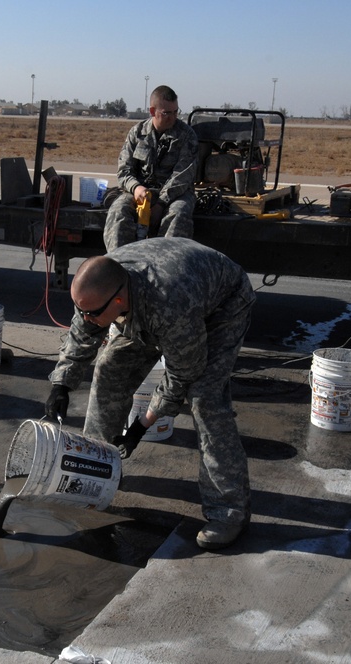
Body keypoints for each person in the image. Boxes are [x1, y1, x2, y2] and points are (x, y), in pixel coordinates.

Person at [45, 237, 255, 549]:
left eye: (92, 313)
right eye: (82, 310)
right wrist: (61, 384)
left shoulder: (170, 305)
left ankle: (228, 511)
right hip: (158, 296)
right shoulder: (98, 287)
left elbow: (183, 372)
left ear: (117, 303)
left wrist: (143, 424)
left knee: (205, 400)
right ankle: (97, 475)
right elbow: (83, 330)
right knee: (109, 368)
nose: (86, 318)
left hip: (223, 303)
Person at [102, 85, 198, 252]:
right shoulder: (137, 132)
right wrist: (136, 188)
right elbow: (124, 170)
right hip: (141, 193)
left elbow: (182, 176)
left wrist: (160, 204)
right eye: (167, 113)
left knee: (177, 215)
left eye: (176, 111)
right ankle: (120, 267)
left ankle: (167, 269)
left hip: (175, 194)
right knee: (119, 212)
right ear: (153, 111)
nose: (173, 117)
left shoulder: (186, 135)